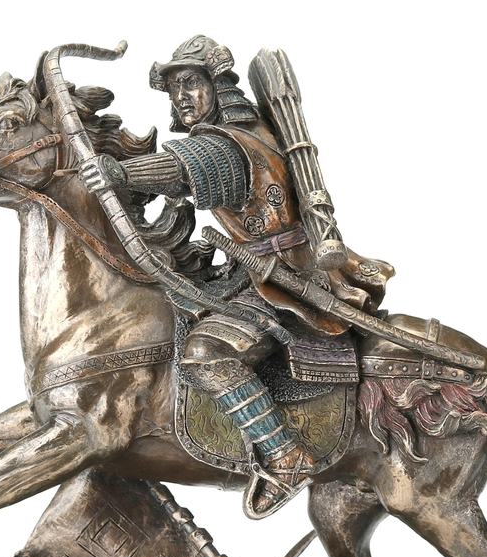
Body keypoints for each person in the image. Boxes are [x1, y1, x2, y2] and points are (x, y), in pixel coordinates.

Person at [79, 35, 391, 517]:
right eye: (174, 88)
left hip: (284, 281)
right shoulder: (241, 135)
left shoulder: (229, 144)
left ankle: (285, 455)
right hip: (252, 269)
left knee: (206, 352)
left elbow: (183, 168)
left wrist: (121, 174)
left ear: (218, 85)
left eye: (190, 82)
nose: (181, 96)